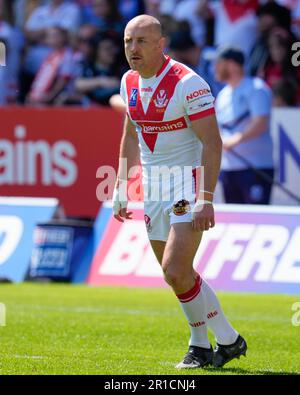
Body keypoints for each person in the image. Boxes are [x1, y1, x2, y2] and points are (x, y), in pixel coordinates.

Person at [112, 14, 247, 369]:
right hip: (153, 187)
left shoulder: (189, 84)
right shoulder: (128, 81)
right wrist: (121, 185)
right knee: (179, 275)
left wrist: (206, 198)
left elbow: (212, 143)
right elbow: (130, 135)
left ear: (161, 43)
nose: (133, 49)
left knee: (174, 268)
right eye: (128, 41)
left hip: (186, 183)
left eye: (141, 41)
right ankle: (227, 340)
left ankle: (199, 345)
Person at [214, 47, 274, 204]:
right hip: (229, 168)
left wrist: (234, 141)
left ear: (232, 64)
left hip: (255, 167)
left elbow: (261, 122)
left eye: (219, 63)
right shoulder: (223, 94)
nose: (215, 68)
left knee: (258, 219)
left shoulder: (256, 88)